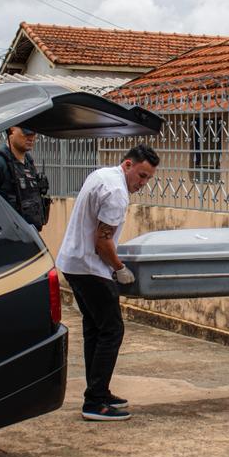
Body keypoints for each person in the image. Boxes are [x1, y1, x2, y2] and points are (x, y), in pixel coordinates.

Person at [55, 145, 159, 421]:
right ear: (128, 164)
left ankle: (97, 390)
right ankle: (95, 402)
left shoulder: (102, 175)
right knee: (112, 330)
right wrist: (120, 268)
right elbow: (102, 242)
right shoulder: (116, 193)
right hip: (90, 267)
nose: (143, 183)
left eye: (148, 178)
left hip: (73, 261)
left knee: (95, 329)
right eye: (141, 175)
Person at [0, 126, 51, 231]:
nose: (31, 137)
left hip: (29, 237)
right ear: (11, 130)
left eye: (34, 133)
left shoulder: (28, 163)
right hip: (5, 240)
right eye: (26, 133)